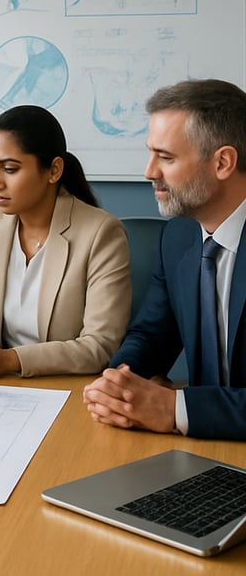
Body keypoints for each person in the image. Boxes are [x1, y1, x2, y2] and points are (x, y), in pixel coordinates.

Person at [84, 79, 246, 440]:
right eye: (151, 153)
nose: (149, 172)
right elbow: (150, 335)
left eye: (166, 158)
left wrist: (173, 409)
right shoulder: (178, 236)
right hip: (203, 453)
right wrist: (120, 384)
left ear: (223, 162)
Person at [0, 105, 131, 378]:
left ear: (54, 170)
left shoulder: (101, 233)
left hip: (69, 390)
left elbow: (98, 346)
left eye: (10, 169)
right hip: (5, 387)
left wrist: (10, 360)